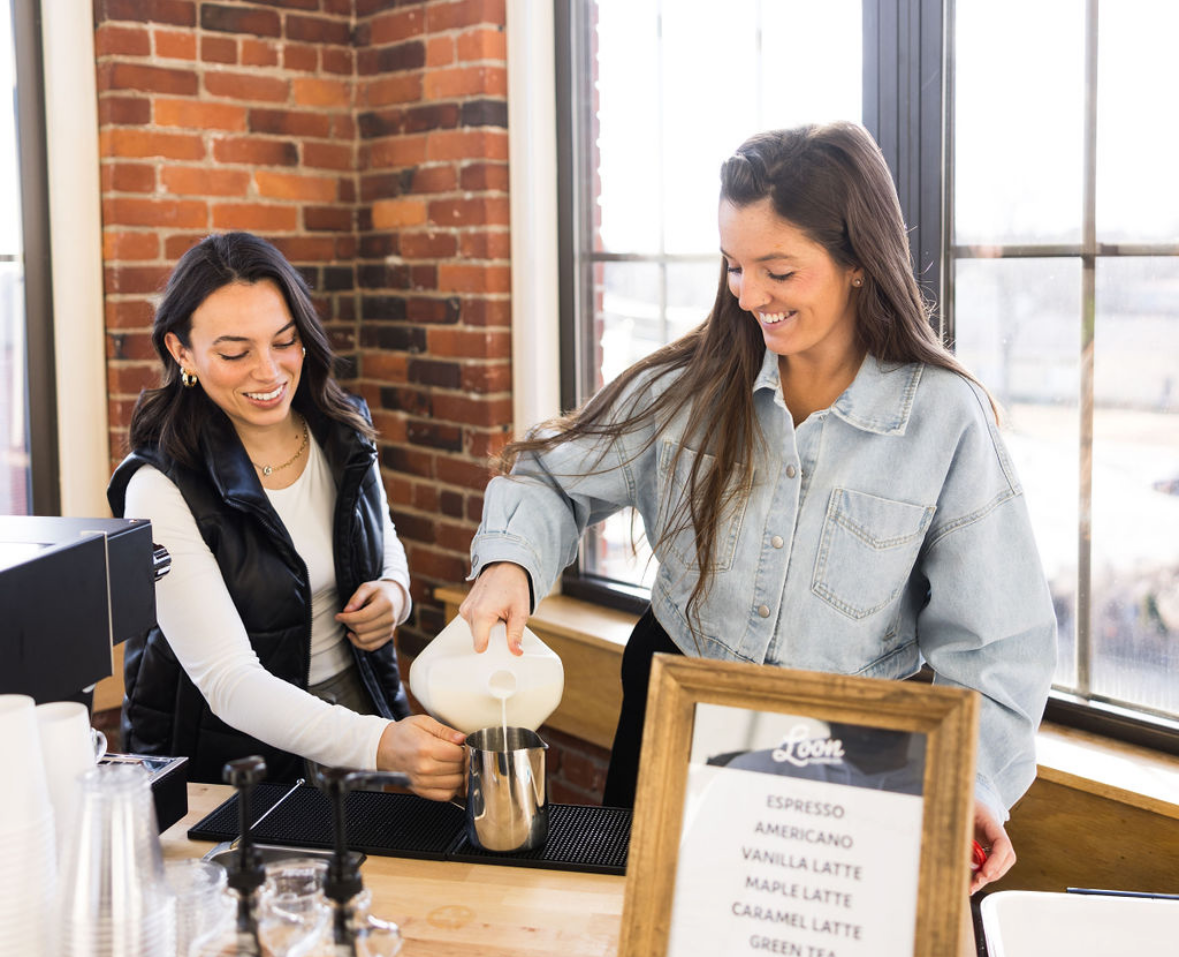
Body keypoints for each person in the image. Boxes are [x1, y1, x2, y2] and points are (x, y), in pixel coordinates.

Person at [460, 122, 1057, 892]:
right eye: (733, 266)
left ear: (857, 262)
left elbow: (996, 645)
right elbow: (547, 471)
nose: (746, 295)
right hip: (669, 724)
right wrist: (510, 563)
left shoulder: (944, 419)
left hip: (845, 761)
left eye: (777, 270)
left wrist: (971, 783)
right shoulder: (683, 388)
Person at [108, 231, 466, 797]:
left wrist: (395, 592)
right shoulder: (157, 486)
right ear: (182, 352)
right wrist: (380, 743)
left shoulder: (342, 429)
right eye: (235, 353)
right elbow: (228, 680)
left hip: (361, 704)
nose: (269, 372)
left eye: (285, 341)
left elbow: (384, 538)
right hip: (232, 754)